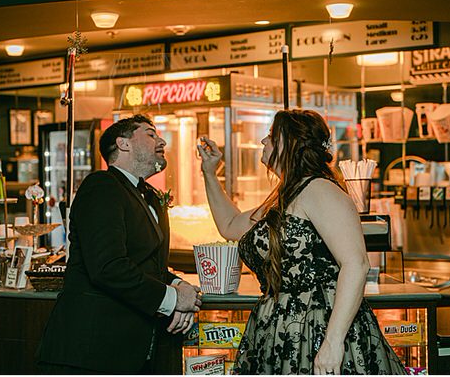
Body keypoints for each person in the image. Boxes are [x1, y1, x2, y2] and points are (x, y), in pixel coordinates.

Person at [198, 110, 405, 374]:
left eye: (272, 136)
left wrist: (333, 341)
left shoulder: (319, 189)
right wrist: (210, 173)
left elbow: (356, 264)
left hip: (319, 327)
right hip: (283, 330)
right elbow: (230, 225)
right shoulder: (285, 195)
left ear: (291, 143)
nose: (263, 141)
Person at [36, 116, 201, 373]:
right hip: (90, 352)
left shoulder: (150, 196)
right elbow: (108, 266)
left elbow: (147, 265)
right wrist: (173, 299)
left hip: (130, 352)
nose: (162, 141)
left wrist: (179, 286)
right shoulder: (101, 186)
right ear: (123, 144)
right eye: (150, 134)